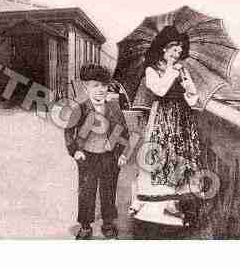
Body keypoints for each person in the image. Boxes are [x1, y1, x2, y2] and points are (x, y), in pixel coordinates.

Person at [132, 25, 201, 220]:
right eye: (173, 50)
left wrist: (189, 88)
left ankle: (172, 202)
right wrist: (172, 71)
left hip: (182, 117)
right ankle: (154, 203)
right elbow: (160, 91)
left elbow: (193, 100)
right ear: (164, 49)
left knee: (179, 156)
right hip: (162, 116)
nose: (177, 54)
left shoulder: (182, 69)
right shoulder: (151, 69)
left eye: (179, 51)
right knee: (161, 155)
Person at [65, 64, 130, 239]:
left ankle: (108, 224)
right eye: (95, 85)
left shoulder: (114, 108)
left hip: (109, 156)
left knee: (108, 190)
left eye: (104, 85)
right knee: (87, 191)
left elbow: (124, 132)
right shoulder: (81, 108)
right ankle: (85, 226)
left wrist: (122, 153)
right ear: (86, 87)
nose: (100, 90)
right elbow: (69, 132)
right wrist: (75, 151)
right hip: (87, 156)